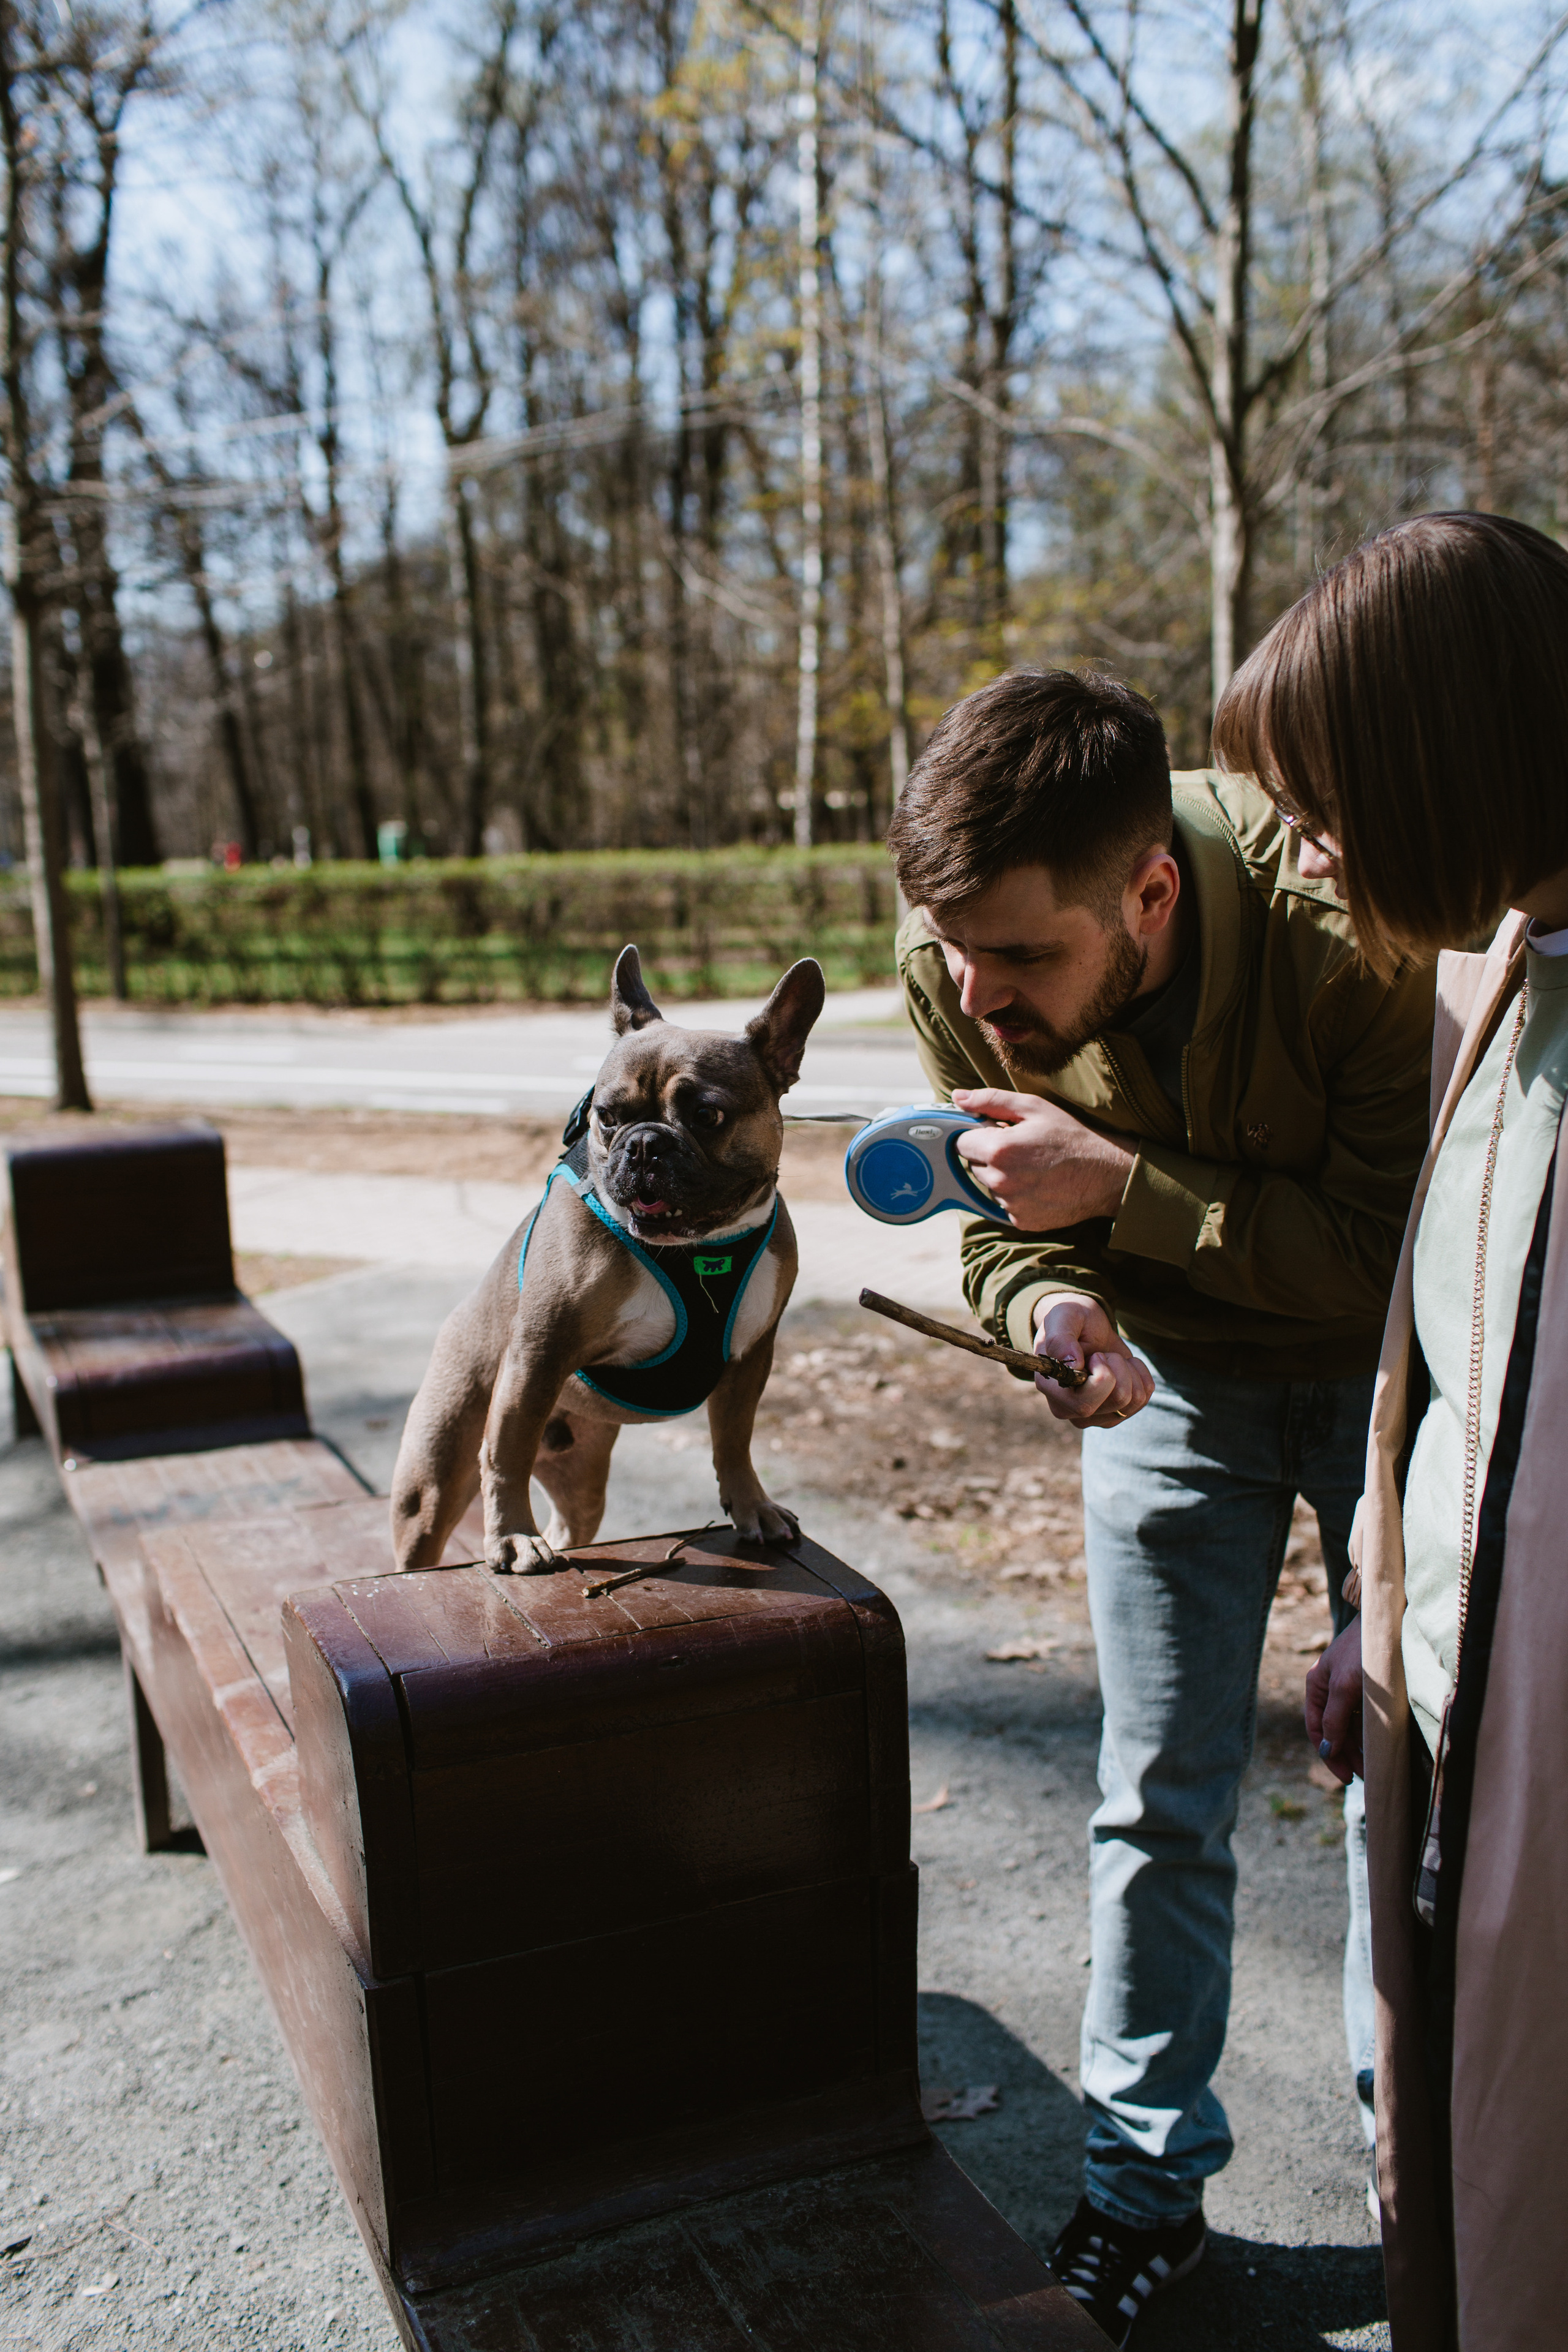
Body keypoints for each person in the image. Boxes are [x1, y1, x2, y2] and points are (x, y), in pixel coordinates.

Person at [886, 668, 1434, 2346]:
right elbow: (1000, 1222)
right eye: (955, 949)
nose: (977, 996)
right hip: (1162, 1385)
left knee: (1397, 1795)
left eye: (1025, 959)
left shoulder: (1354, 932)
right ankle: (1141, 2197)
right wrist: (1051, 1310)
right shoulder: (957, 957)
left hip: (1388, 1379)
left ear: (1153, 893)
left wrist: (1130, 1189)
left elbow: (1391, 1246)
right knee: (1158, 1794)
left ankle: (1419, 2190)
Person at [1212, 510, 1568, 2352]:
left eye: (1328, 799)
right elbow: (1454, 1384)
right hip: (1447, 1751)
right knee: (1458, 2188)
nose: (1309, 850)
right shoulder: (1481, 979)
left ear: (1453, 755)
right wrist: (1380, 1623)